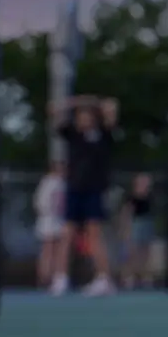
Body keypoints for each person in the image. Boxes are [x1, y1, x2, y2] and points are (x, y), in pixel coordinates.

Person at [51, 95, 120, 295]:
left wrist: (93, 103)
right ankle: (61, 278)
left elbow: (112, 106)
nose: (84, 119)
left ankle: (104, 279)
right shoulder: (72, 135)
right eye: (81, 116)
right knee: (67, 234)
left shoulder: (103, 135)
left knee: (94, 234)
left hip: (94, 190)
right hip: (74, 190)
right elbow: (53, 110)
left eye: (88, 116)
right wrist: (75, 102)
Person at [33, 160, 68, 293]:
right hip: (48, 220)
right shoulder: (47, 182)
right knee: (48, 248)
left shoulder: (64, 183)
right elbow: (39, 202)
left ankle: (56, 276)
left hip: (60, 220)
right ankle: (44, 277)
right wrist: (47, 214)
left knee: (59, 248)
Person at [122, 171, 158, 288]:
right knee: (133, 252)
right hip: (136, 224)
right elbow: (127, 212)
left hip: (147, 223)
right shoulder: (131, 197)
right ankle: (129, 276)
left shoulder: (150, 197)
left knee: (145, 252)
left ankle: (144, 276)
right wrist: (126, 228)